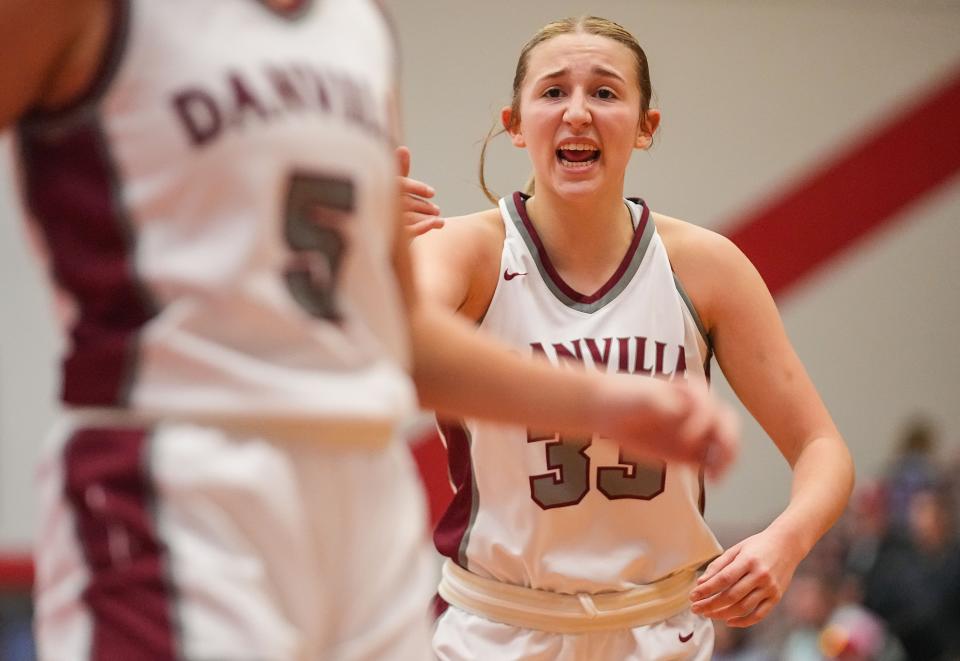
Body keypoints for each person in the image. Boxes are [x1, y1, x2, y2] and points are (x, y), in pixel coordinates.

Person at [0, 2, 739, 660]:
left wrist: (604, 404)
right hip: (184, 465)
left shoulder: (360, 27)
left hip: (365, 484)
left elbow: (397, 332)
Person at [404, 15, 854, 660]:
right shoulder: (464, 253)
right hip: (496, 628)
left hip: (660, 628)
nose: (578, 112)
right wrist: (365, 269)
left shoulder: (707, 267)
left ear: (647, 128)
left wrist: (786, 540)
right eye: (553, 92)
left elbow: (821, 446)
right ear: (514, 124)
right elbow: (390, 346)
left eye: (606, 93)